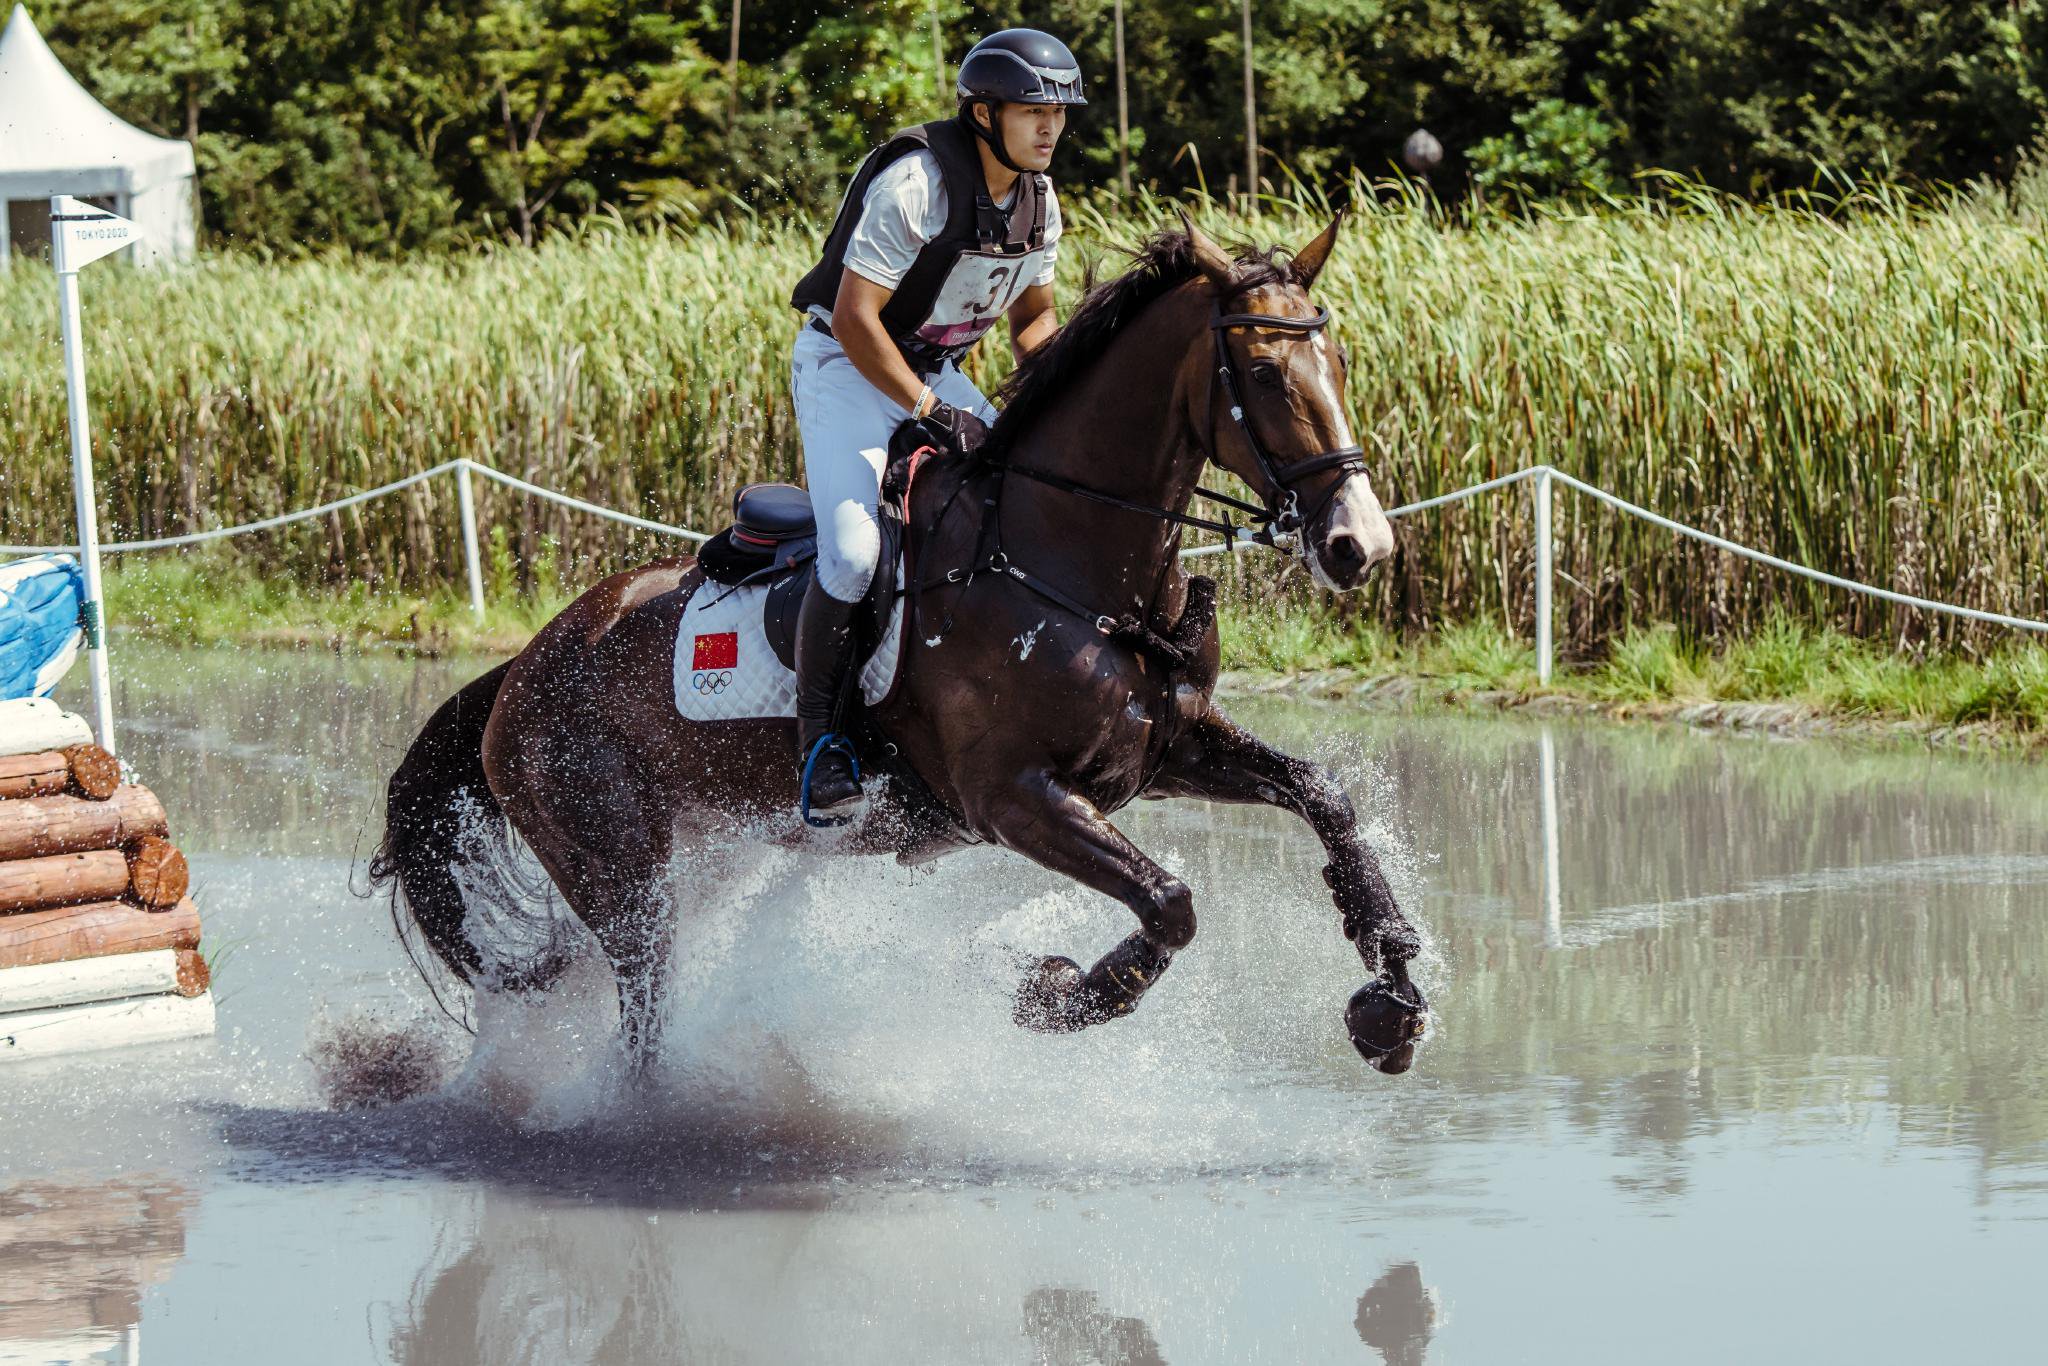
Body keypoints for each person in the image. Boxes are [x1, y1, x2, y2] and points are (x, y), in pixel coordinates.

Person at [785, 27, 1084, 819]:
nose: (1050, 128)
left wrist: (1070, 388)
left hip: (935, 375)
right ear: (984, 113)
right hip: (847, 369)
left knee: (1029, 500)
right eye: (1033, 111)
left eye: (1058, 114)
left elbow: (1034, 321)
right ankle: (821, 741)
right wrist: (927, 410)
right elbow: (855, 319)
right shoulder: (918, 182)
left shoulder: (1040, 200)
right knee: (852, 556)